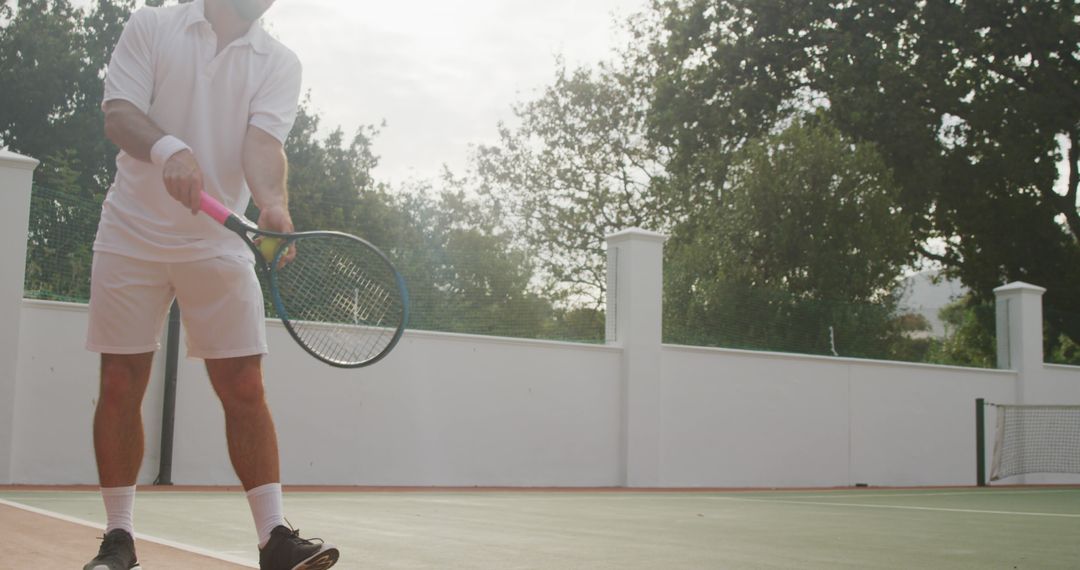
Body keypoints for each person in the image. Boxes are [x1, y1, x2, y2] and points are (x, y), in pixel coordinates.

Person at [83, 0, 338, 569]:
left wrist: (273, 205)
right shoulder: (152, 24)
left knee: (244, 385)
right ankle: (118, 539)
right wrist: (168, 147)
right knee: (121, 382)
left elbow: (263, 144)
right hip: (131, 233)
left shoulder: (279, 62)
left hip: (221, 239)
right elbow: (119, 114)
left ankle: (275, 538)